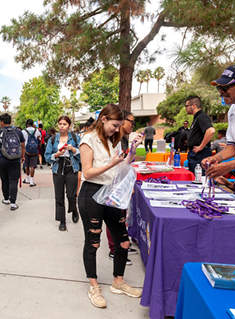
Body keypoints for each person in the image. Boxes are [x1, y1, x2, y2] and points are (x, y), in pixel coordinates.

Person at [78, 103, 143, 308]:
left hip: (112, 195)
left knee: (123, 242)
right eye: (115, 125)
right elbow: (87, 173)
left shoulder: (113, 139)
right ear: (103, 118)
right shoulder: (88, 139)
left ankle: (118, 282)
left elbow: (123, 165)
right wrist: (112, 164)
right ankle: (94, 286)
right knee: (93, 242)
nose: (117, 129)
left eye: (119, 126)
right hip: (92, 194)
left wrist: (132, 149)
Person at [105, 109, 137, 265]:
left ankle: (122, 245)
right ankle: (115, 249)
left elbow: (125, 163)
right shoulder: (114, 140)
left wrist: (134, 148)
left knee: (122, 217)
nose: (133, 125)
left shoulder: (123, 139)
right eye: (131, 121)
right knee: (114, 218)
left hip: (120, 183)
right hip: (113, 185)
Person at [204, 65, 235, 178]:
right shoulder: (232, 110)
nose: (221, 92)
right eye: (219, 88)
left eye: (225, 87)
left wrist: (229, 165)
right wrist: (217, 158)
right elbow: (233, 145)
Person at [44, 116, 80, 231]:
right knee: (59, 196)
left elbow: (83, 154)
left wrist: (73, 150)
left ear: (69, 125)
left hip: (72, 167)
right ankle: (62, 221)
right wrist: (56, 155)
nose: (62, 126)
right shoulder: (53, 139)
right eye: (60, 124)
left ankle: (74, 209)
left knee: (71, 195)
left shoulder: (75, 138)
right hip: (58, 167)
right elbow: (47, 157)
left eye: (64, 124)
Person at [0, 113, 25, 211]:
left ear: (2, 122)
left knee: (4, 180)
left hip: (2, 161)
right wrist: (22, 157)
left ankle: (6, 199)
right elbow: (22, 145)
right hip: (15, 160)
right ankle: (13, 203)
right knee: (13, 181)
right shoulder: (18, 132)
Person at [185, 95, 215, 174]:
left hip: (200, 155)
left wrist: (201, 146)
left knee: (199, 179)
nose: (185, 108)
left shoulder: (201, 116)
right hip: (195, 154)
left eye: (187, 106)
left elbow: (211, 130)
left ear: (193, 106)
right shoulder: (197, 117)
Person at [22, 119, 41, 187]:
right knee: (32, 166)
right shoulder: (36, 131)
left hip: (26, 150)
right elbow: (39, 138)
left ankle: (27, 179)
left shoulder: (24, 131)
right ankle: (32, 181)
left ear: (26, 124)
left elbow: (22, 141)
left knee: (27, 165)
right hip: (34, 150)